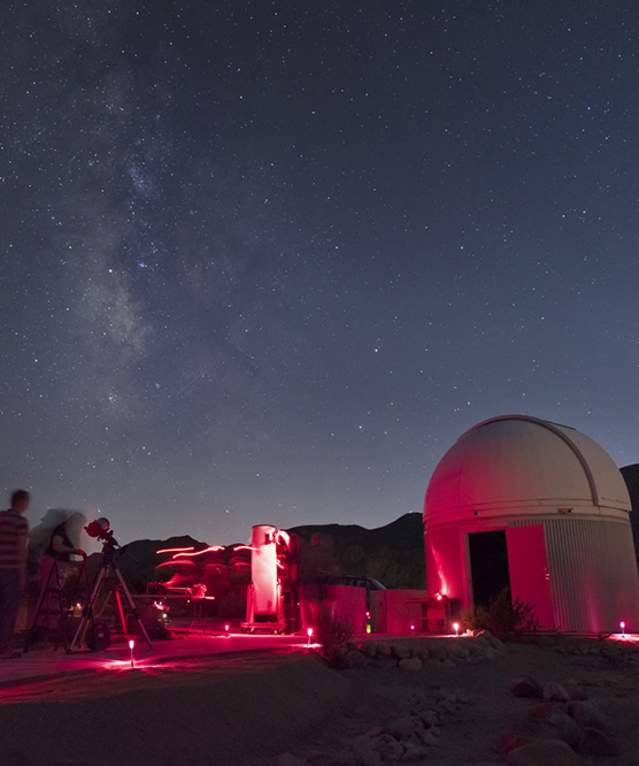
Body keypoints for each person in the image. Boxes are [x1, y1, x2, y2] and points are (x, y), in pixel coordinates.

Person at [0, 489, 30, 657]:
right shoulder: (20, 521)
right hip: (10, 569)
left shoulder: (1, 517)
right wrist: (23, 573)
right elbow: (20, 549)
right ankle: (4, 648)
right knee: (9, 610)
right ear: (22, 502)